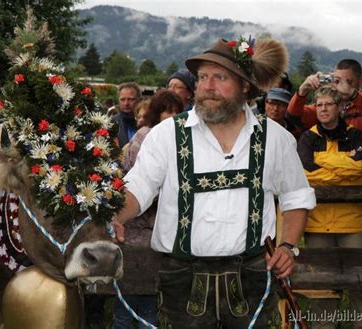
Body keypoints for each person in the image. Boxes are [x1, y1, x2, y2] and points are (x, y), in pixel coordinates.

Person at [112, 36, 316, 328]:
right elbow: (139, 186)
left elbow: (296, 196)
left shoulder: (275, 138)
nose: (207, 86)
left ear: (245, 85)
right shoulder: (167, 134)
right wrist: (118, 215)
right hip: (182, 277)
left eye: (220, 77)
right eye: (203, 77)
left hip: (253, 275)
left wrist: (288, 247)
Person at [297, 85, 362, 329]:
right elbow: (306, 173)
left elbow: (361, 166)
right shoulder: (307, 137)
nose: (323, 109)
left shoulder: (355, 135)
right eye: (319, 105)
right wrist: (343, 165)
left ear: (340, 107)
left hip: (353, 222)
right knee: (321, 284)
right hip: (318, 223)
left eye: (328, 104)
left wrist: (323, 164)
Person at [114, 90, 184, 329]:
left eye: (177, 112)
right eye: (168, 111)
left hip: (157, 230)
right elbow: (140, 183)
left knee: (150, 307)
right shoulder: (145, 138)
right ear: (157, 113)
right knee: (128, 304)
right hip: (138, 230)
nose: (173, 116)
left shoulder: (178, 137)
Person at [287, 59, 362, 184]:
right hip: (326, 185)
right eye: (338, 81)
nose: (342, 86)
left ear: (360, 80)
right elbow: (293, 116)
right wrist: (302, 91)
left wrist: (353, 94)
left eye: (348, 82)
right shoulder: (325, 107)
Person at [112, 82, 140, 148]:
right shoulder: (111, 122)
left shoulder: (148, 121)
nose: (126, 103)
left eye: (130, 99)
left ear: (139, 100)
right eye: (122, 99)